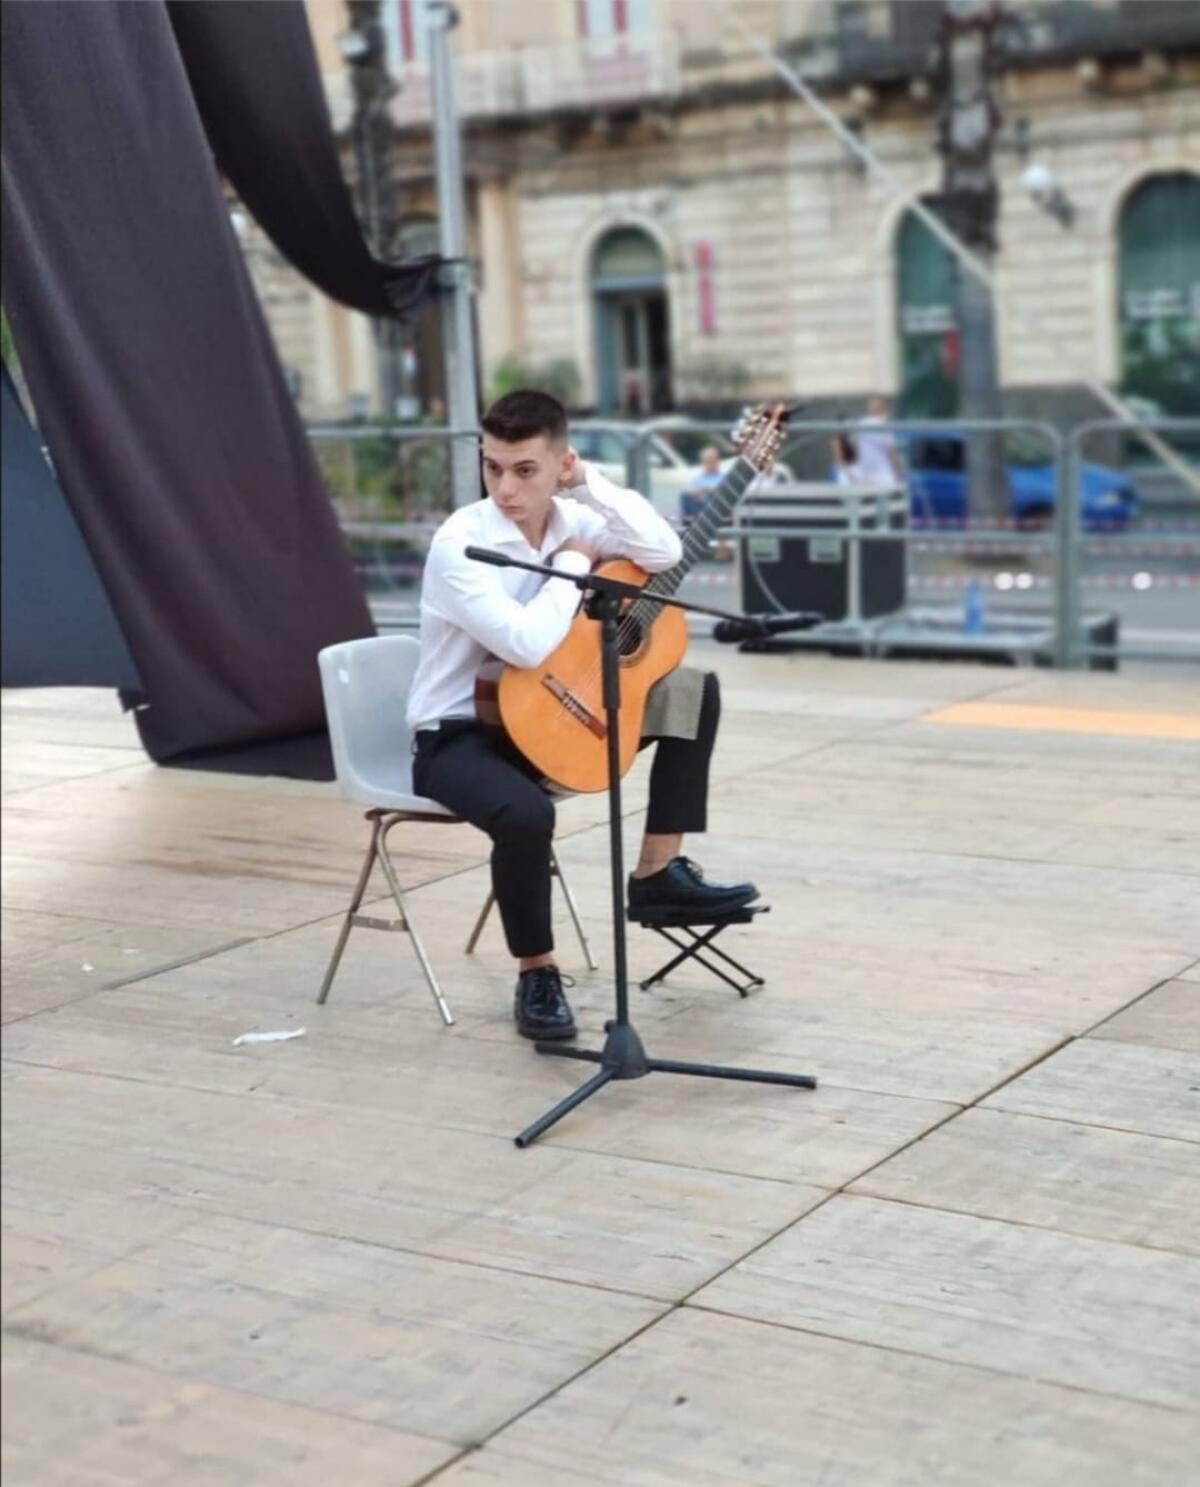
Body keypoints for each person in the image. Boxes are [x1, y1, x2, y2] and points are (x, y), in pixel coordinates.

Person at [407, 389, 758, 1042]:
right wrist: (571, 561)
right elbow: (524, 643)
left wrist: (590, 483)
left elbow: (661, 553)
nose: (506, 487)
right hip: (458, 735)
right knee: (526, 813)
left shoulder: (572, 512)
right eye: (493, 468)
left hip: (543, 718)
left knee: (691, 689)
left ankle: (657, 873)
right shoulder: (461, 543)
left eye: (526, 470)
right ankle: (536, 973)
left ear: (557, 463)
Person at [832, 395, 904, 486]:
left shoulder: (861, 425)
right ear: (883, 410)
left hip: (866, 476)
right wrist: (900, 474)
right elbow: (893, 454)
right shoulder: (885, 426)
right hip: (884, 477)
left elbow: (852, 444)